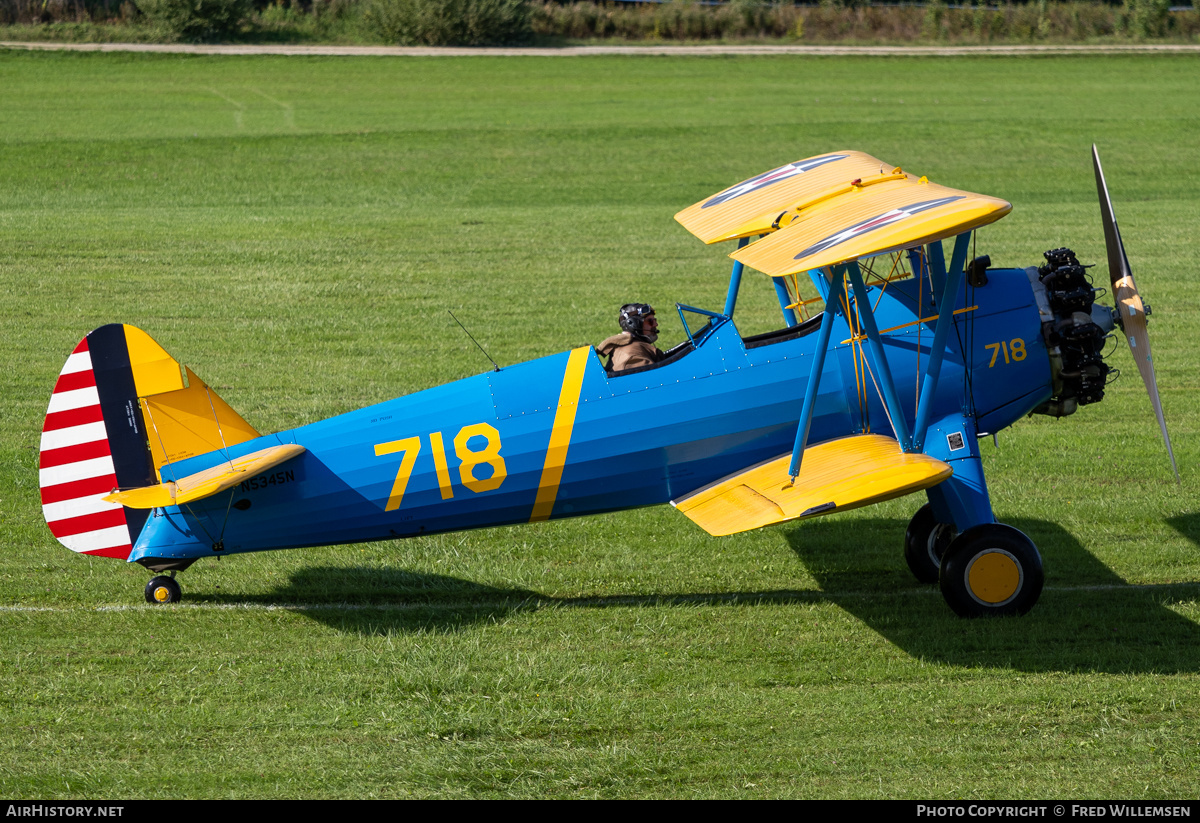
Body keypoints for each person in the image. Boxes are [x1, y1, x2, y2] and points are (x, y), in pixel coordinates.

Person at [597, 303, 665, 373]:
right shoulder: (633, 358)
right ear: (633, 324)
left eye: (655, 320)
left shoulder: (634, 346)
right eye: (650, 321)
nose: (656, 324)